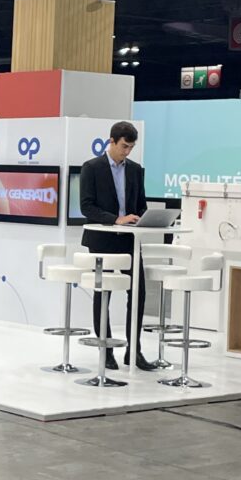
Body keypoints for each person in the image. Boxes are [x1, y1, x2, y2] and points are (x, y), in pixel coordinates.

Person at [80, 121, 154, 371]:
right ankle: (106, 350)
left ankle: (134, 351)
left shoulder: (135, 170)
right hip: (102, 239)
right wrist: (115, 219)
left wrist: (143, 218)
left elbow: (141, 204)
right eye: (124, 146)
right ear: (111, 141)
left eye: (131, 147)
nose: (127, 151)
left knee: (138, 294)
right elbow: (87, 207)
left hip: (130, 240)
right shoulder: (92, 168)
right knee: (104, 294)